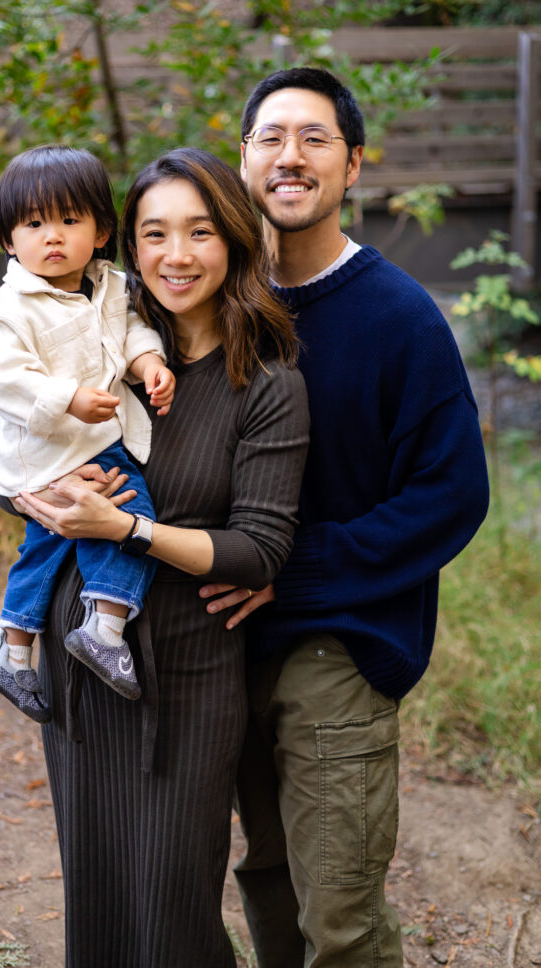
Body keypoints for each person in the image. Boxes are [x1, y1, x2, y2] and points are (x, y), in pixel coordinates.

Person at [0, 147, 311, 967]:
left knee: (172, 901)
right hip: (77, 657)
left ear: (233, 240)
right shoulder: (100, 338)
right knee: (96, 884)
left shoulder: (266, 380)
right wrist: (17, 493)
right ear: (127, 244)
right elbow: (22, 435)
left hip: (191, 666)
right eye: (155, 233)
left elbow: (259, 549)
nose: (176, 254)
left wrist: (125, 531)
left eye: (199, 232)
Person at [199, 67, 490, 967]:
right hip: (218, 642)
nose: (290, 157)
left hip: (336, 640)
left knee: (341, 916)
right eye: (270, 138)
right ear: (243, 159)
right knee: (269, 882)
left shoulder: (399, 316)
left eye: (315, 139)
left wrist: (291, 569)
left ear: (354, 165)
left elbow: (452, 493)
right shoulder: (210, 301)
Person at [0, 144, 175, 721]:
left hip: (85, 441)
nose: (53, 237)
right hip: (47, 447)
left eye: (69, 220)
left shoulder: (109, 285)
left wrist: (148, 365)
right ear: (10, 240)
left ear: (103, 231)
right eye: (34, 224)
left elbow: (131, 331)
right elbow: (5, 380)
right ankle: (105, 626)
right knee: (130, 509)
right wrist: (67, 398)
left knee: (44, 545)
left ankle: (12, 653)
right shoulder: (12, 309)